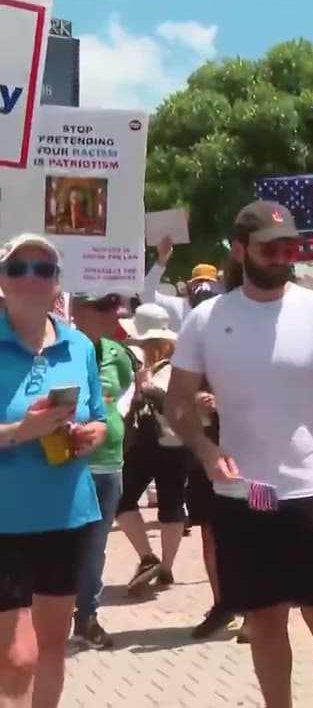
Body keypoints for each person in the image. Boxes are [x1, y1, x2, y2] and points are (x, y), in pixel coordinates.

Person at [165, 201, 313, 708]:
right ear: (240, 250)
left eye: (290, 247)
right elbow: (176, 404)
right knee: (264, 621)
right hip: (246, 499)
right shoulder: (207, 319)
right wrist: (205, 446)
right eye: (269, 247)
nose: (282, 256)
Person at [0, 234, 107, 707]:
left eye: (43, 270)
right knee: (16, 657)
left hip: (67, 517)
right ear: (2, 279)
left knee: (50, 649)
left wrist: (91, 435)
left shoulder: (79, 344)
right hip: (6, 522)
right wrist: (25, 429)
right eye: (18, 267)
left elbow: (101, 417)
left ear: (57, 283)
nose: (31, 278)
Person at [67, 292, 135, 650]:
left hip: (110, 463)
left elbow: (125, 388)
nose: (114, 317)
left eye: (116, 312)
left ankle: (86, 618)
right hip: (70, 464)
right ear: (78, 311)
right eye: (104, 311)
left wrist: (111, 419)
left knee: (95, 547)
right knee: (61, 545)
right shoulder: (60, 349)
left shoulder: (116, 354)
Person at [115, 304, 190, 597]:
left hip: (154, 444)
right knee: (169, 504)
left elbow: (176, 404)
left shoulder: (169, 369)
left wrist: (148, 389)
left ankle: (153, 560)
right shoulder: (170, 365)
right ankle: (162, 565)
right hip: (171, 444)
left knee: (125, 500)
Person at [142, 235, 221, 329]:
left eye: (208, 282)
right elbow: (146, 295)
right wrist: (161, 261)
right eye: (199, 281)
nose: (203, 286)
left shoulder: (223, 312)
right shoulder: (176, 305)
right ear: (190, 284)